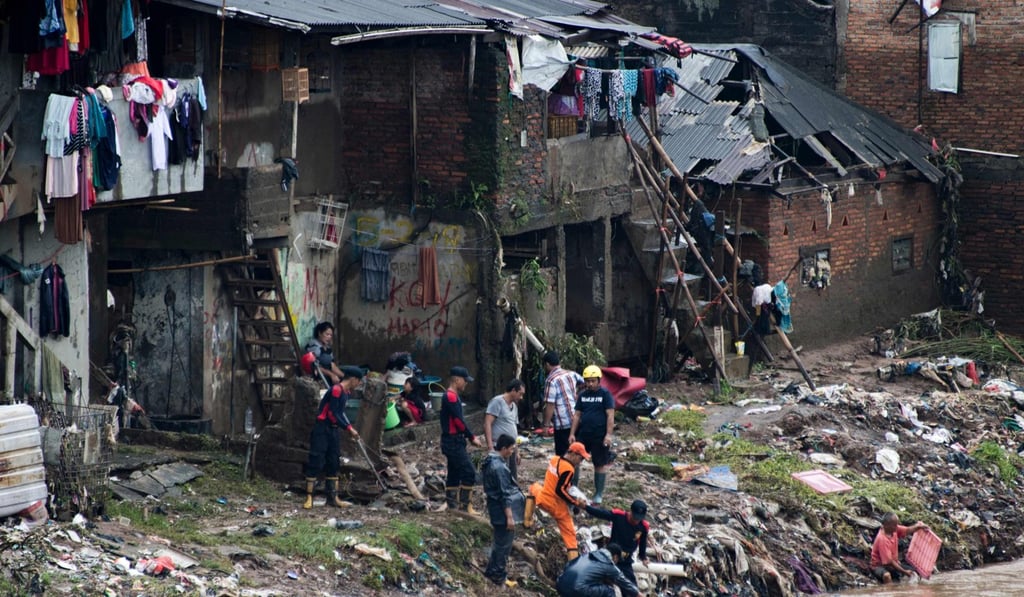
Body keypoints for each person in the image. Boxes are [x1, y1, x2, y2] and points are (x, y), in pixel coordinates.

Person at [302, 365, 363, 509]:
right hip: (322, 428)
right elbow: (333, 413)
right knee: (316, 459)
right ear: (353, 379)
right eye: (358, 381)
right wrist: (349, 428)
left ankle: (333, 497)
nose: (358, 384)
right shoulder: (336, 390)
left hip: (334, 430)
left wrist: (349, 427)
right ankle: (309, 497)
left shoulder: (346, 392)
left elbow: (341, 414)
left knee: (334, 461)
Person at [525, 442, 590, 560]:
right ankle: (573, 566)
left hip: (542, 497)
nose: (581, 462)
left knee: (533, 487)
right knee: (570, 535)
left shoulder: (554, 459)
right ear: (574, 454)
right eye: (581, 459)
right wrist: (575, 502)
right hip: (554, 505)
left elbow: (557, 482)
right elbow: (560, 490)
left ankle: (527, 521)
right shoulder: (569, 469)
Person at [568, 365, 615, 503]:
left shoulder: (605, 395)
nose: (590, 384)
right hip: (583, 434)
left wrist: (608, 435)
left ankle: (598, 494)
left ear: (599, 380)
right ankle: (573, 488)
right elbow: (577, 415)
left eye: (593, 381)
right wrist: (572, 434)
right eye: (588, 381)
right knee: (574, 460)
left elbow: (610, 415)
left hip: (599, 435)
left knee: (599, 463)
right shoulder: (582, 395)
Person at [441, 365, 483, 513]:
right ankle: (466, 507)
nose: (466, 383)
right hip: (453, 441)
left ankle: (452, 506)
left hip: (452, 440)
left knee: (454, 472)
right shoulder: (451, 397)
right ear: (457, 380)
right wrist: (471, 436)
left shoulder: (451, 396)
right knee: (469, 472)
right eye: (465, 381)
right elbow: (458, 421)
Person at [481, 434, 521, 589]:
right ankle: (498, 577)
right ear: (503, 448)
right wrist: (510, 517)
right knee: (504, 545)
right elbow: (504, 494)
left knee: (498, 543)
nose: (512, 452)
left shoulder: (490, 460)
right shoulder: (499, 467)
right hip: (500, 511)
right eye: (511, 449)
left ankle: (492, 572)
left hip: (494, 508)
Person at [585, 500, 650, 586]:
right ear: (631, 511)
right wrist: (586, 507)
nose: (636, 521)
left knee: (631, 587)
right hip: (611, 557)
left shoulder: (643, 526)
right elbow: (601, 513)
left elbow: (643, 542)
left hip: (625, 560)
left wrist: (643, 557)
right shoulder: (619, 516)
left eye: (639, 518)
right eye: (635, 517)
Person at [541, 351, 584, 458]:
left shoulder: (551, 380)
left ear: (547, 364)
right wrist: (578, 396)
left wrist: (546, 425)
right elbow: (585, 383)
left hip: (562, 423)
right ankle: (575, 474)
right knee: (575, 452)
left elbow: (550, 404)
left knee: (563, 455)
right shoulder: (571, 374)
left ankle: (566, 474)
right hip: (577, 420)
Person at [555, 543, 640, 597]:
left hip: (560, 585)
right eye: (617, 560)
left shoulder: (587, 555)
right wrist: (638, 594)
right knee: (609, 591)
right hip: (577, 589)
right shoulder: (608, 565)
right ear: (615, 557)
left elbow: (568, 566)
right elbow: (624, 583)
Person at [484, 379, 525, 480]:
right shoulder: (497, 402)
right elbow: (487, 423)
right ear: (513, 390)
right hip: (500, 447)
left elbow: (513, 427)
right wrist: (490, 447)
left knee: (512, 475)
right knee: (501, 475)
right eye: (520, 394)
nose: (521, 397)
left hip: (511, 447)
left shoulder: (514, 406)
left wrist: (517, 451)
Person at [870, 512, 929, 583]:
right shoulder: (882, 539)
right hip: (879, 566)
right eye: (894, 525)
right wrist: (905, 572)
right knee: (887, 575)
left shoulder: (894, 530)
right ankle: (889, 590)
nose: (896, 526)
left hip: (893, 563)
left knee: (915, 572)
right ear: (887, 525)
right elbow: (889, 562)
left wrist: (919, 527)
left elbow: (907, 530)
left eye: (896, 524)